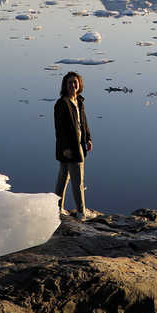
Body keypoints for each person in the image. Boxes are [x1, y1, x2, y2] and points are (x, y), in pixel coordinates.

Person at [54, 71, 96, 220]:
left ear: (79, 84)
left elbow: (83, 123)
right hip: (70, 147)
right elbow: (60, 129)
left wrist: (88, 138)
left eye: (75, 82)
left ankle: (57, 209)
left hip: (79, 143)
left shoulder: (79, 101)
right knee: (78, 180)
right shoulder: (62, 103)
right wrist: (65, 148)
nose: (73, 85)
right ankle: (81, 212)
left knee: (63, 177)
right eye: (70, 82)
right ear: (65, 85)